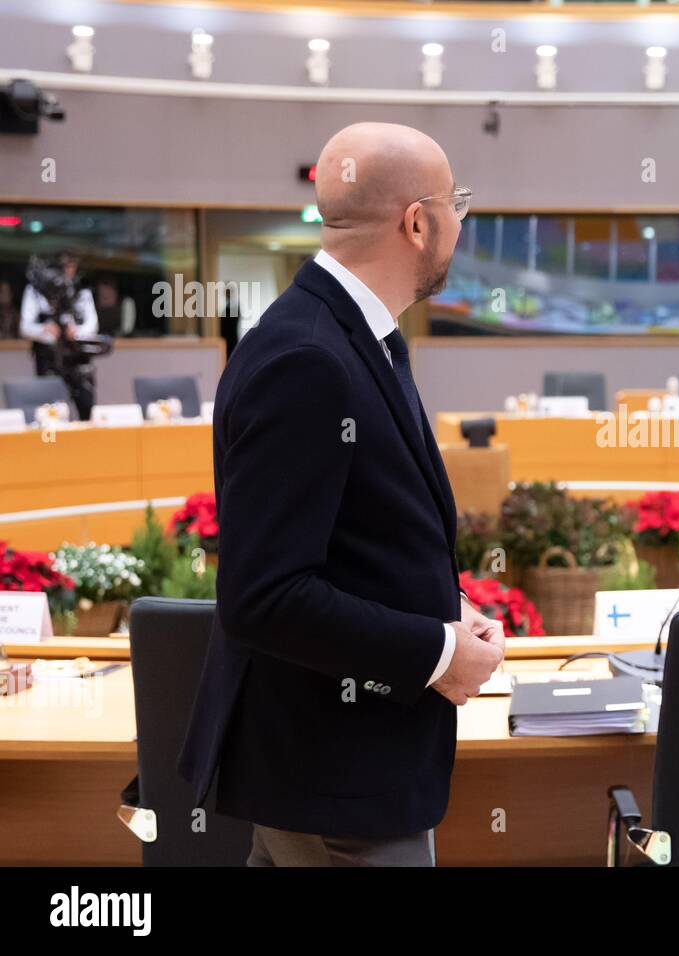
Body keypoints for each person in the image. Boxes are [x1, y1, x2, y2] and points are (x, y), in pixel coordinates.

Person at [179, 123, 501, 867]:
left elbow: (351, 540)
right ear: (419, 221)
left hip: (334, 772)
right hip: (336, 779)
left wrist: (443, 609)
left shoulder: (357, 337)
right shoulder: (308, 358)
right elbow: (266, 594)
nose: (460, 223)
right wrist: (435, 651)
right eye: (459, 205)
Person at [19, 252, 100, 419]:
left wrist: (78, 332)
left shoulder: (81, 289)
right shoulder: (37, 289)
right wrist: (43, 330)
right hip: (49, 357)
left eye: (73, 265)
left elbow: (92, 324)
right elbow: (25, 327)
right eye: (65, 265)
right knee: (51, 411)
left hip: (77, 357)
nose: (69, 269)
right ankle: (52, 443)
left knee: (87, 406)